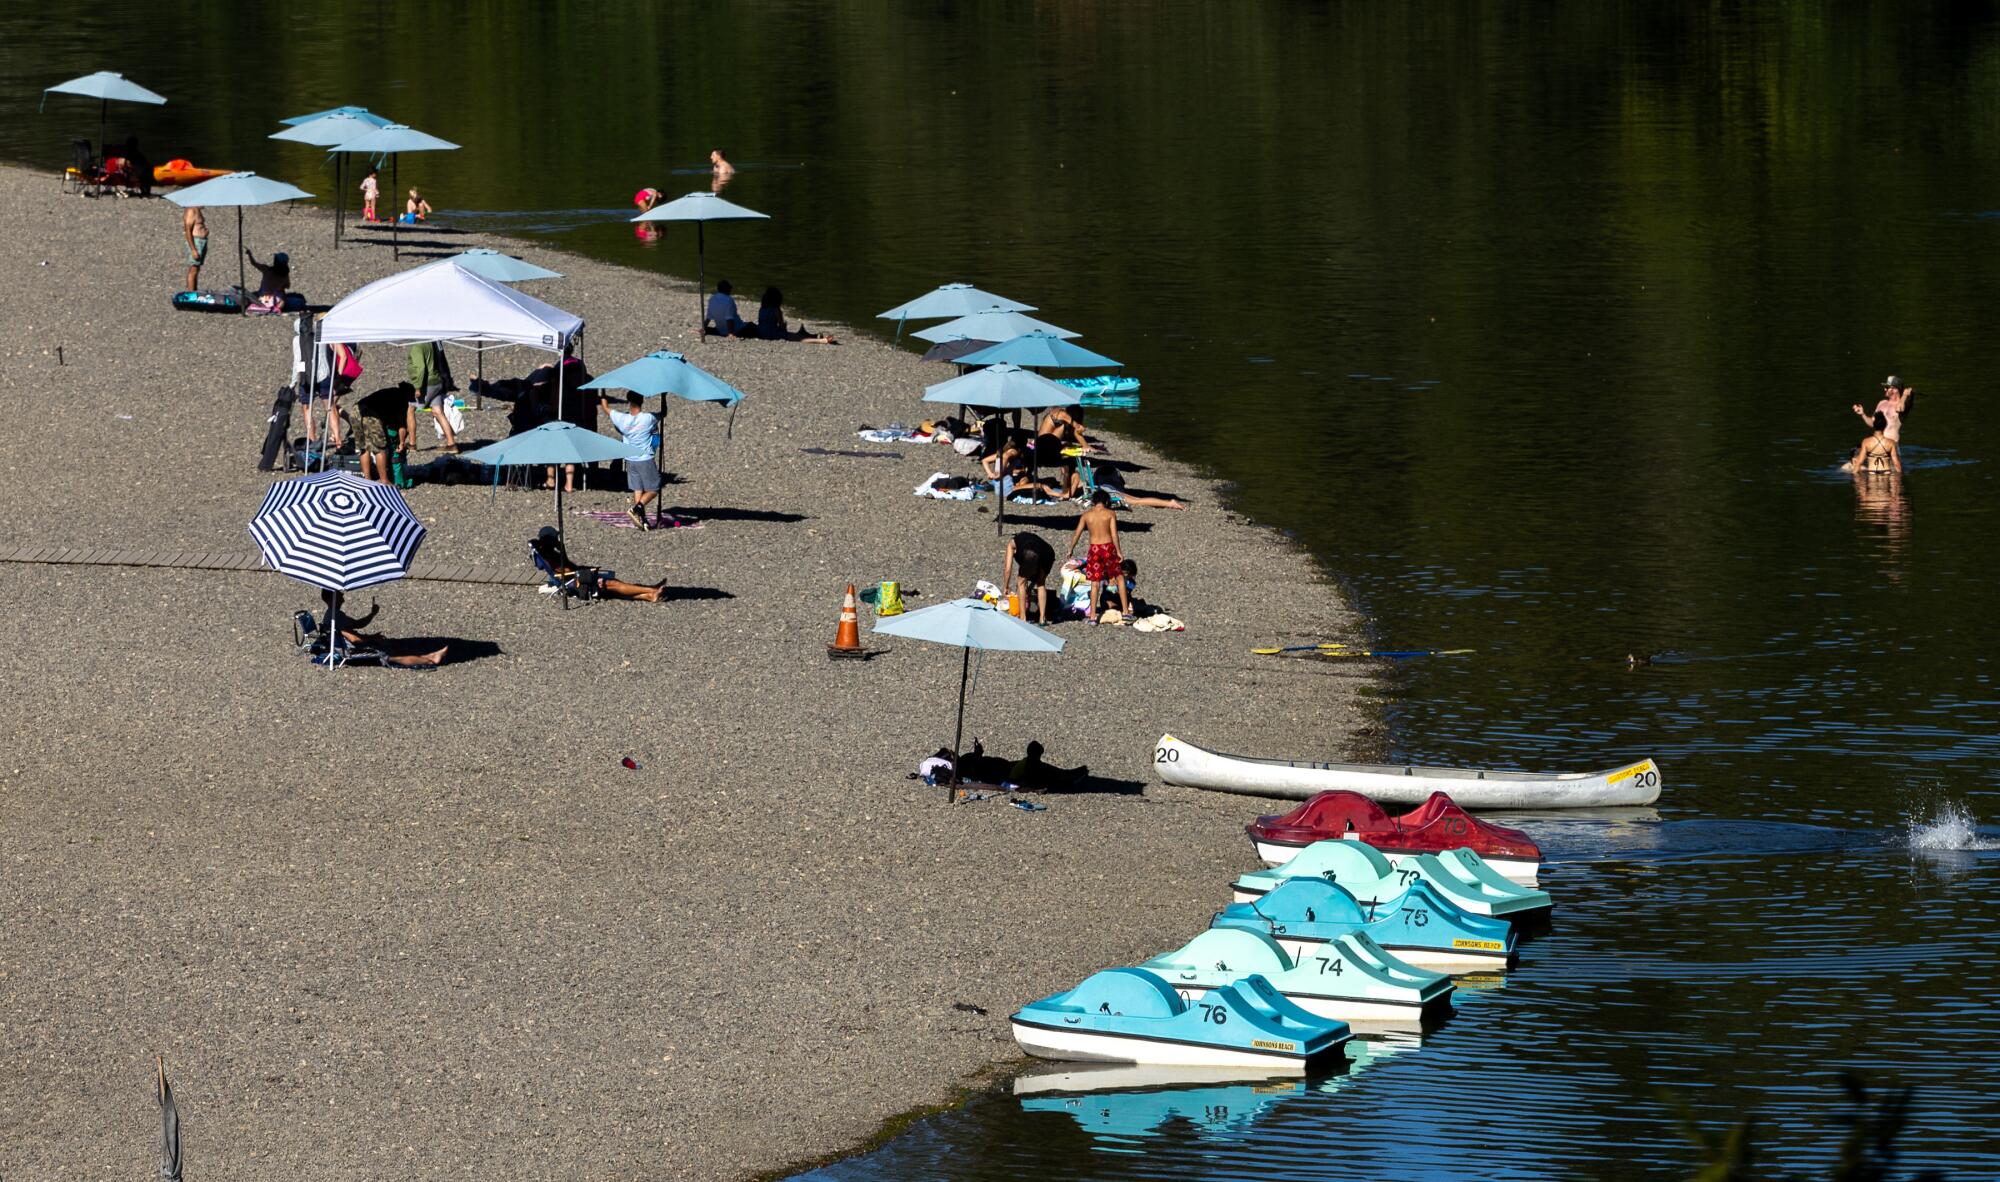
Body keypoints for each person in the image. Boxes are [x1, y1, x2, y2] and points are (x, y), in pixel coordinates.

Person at [309, 591, 448, 667]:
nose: (343, 596)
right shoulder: (336, 617)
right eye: (339, 594)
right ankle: (430, 659)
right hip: (351, 650)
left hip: (344, 646)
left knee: (388, 646)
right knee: (390, 656)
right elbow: (354, 639)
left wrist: (372, 614)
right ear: (333, 598)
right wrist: (371, 638)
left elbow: (358, 624)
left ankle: (424, 656)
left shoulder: (332, 615)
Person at [530, 527, 670, 602]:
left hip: (573, 578)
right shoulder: (550, 556)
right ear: (549, 540)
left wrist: (562, 549)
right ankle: (652, 590)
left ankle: (649, 595)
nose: (557, 540)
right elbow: (566, 571)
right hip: (575, 582)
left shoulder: (548, 554)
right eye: (555, 539)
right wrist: (586, 571)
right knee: (614, 585)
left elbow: (565, 567)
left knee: (614, 587)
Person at [1065, 490, 1131, 622]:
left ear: (1093, 501)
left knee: (1095, 583)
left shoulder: (1086, 515)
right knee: (1119, 578)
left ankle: (1093, 616)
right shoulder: (1110, 514)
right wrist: (1118, 551)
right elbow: (1114, 534)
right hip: (1108, 547)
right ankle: (1125, 611)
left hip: (1094, 549)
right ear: (1106, 501)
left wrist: (1070, 548)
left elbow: (1077, 532)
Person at [601, 392, 662, 529]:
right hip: (644, 458)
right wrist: (664, 400)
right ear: (642, 401)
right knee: (654, 489)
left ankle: (642, 519)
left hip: (630, 458)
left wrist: (603, 393)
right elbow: (663, 413)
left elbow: (605, 408)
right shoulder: (648, 418)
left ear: (628, 401)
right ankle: (636, 509)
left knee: (638, 488)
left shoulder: (621, 418)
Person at [406, 342, 458, 453]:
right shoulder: (431, 343)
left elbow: (421, 368)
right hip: (437, 382)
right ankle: (451, 444)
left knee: (410, 409)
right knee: (437, 411)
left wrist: (418, 387)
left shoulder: (417, 346)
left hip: (427, 384)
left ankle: (412, 444)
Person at [354, 385, 409, 485]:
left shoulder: (389, 391)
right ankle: (384, 480)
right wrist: (401, 443)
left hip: (355, 410)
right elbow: (401, 425)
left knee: (363, 448)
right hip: (371, 414)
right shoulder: (401, 399)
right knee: (380, 449)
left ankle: (367, 480)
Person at [1002, 531, 1057, 623]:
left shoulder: (1011, 544)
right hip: (1048, 552)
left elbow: (1008, 569)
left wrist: (1006, 586)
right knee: (1041, 583)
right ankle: (1042, 619)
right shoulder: (1028, 538)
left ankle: (1023, 618)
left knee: (1021, 583)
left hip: (1030, 553)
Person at [755, 287, 837, 343]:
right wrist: (784, 326)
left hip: (761, 332)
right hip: (772, 334)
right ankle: (822, 341)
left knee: (796, 335)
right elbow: (782, 326)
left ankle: (806, 334)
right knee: (799, 338)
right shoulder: (776, 310)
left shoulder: (762, 309)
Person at [1853, 376, 1914, 444]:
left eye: (1887, 387)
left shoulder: (1903, 405)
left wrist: (1905, 395)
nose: (1884, 389)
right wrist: (1863, 414)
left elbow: (1900, 409)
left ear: (1895, 389)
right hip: (1877, 445)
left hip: (1891, 447)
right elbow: (1873, 424)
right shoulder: (1882, 403)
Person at [180, 205, 207, 292]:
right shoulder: (191, 211)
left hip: (201, 242)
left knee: (196, 268)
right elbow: (188, 230)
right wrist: (193, 249)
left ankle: (194, 291)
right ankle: (191, 293)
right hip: (195, 242)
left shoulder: (197, 210)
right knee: (193, 269)